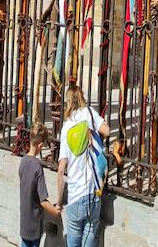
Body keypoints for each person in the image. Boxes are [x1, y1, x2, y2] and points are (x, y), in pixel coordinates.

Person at [57, 83, 110, 247]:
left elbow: (60, 170)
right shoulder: (89, 114)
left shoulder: (66, 128)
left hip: (74, 195)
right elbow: (107, 131)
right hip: (93, 192)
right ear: (82, 98)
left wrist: (59, 202)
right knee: (90, 237)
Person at [19, 123, 60, 247]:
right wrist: (54, 211)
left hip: (24, 219)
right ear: (40, 145)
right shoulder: (37, 166)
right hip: (34, 221)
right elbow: (43, 200)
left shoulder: (23, 161)